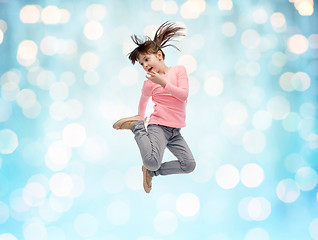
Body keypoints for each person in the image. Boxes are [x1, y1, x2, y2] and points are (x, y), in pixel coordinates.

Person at [113, 21, 196, 193]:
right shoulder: (149, 83)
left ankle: (152, 172)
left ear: (159, 55)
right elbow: (143, 101)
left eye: (146, 59)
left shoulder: (179, 71)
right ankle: (137, 128)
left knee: (188, 165)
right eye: (141, 64)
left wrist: (163, 83)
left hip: (175, 132)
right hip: (158, 126)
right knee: (151, 159)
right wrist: (140, 118)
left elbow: (183, 95)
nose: (144, 65)